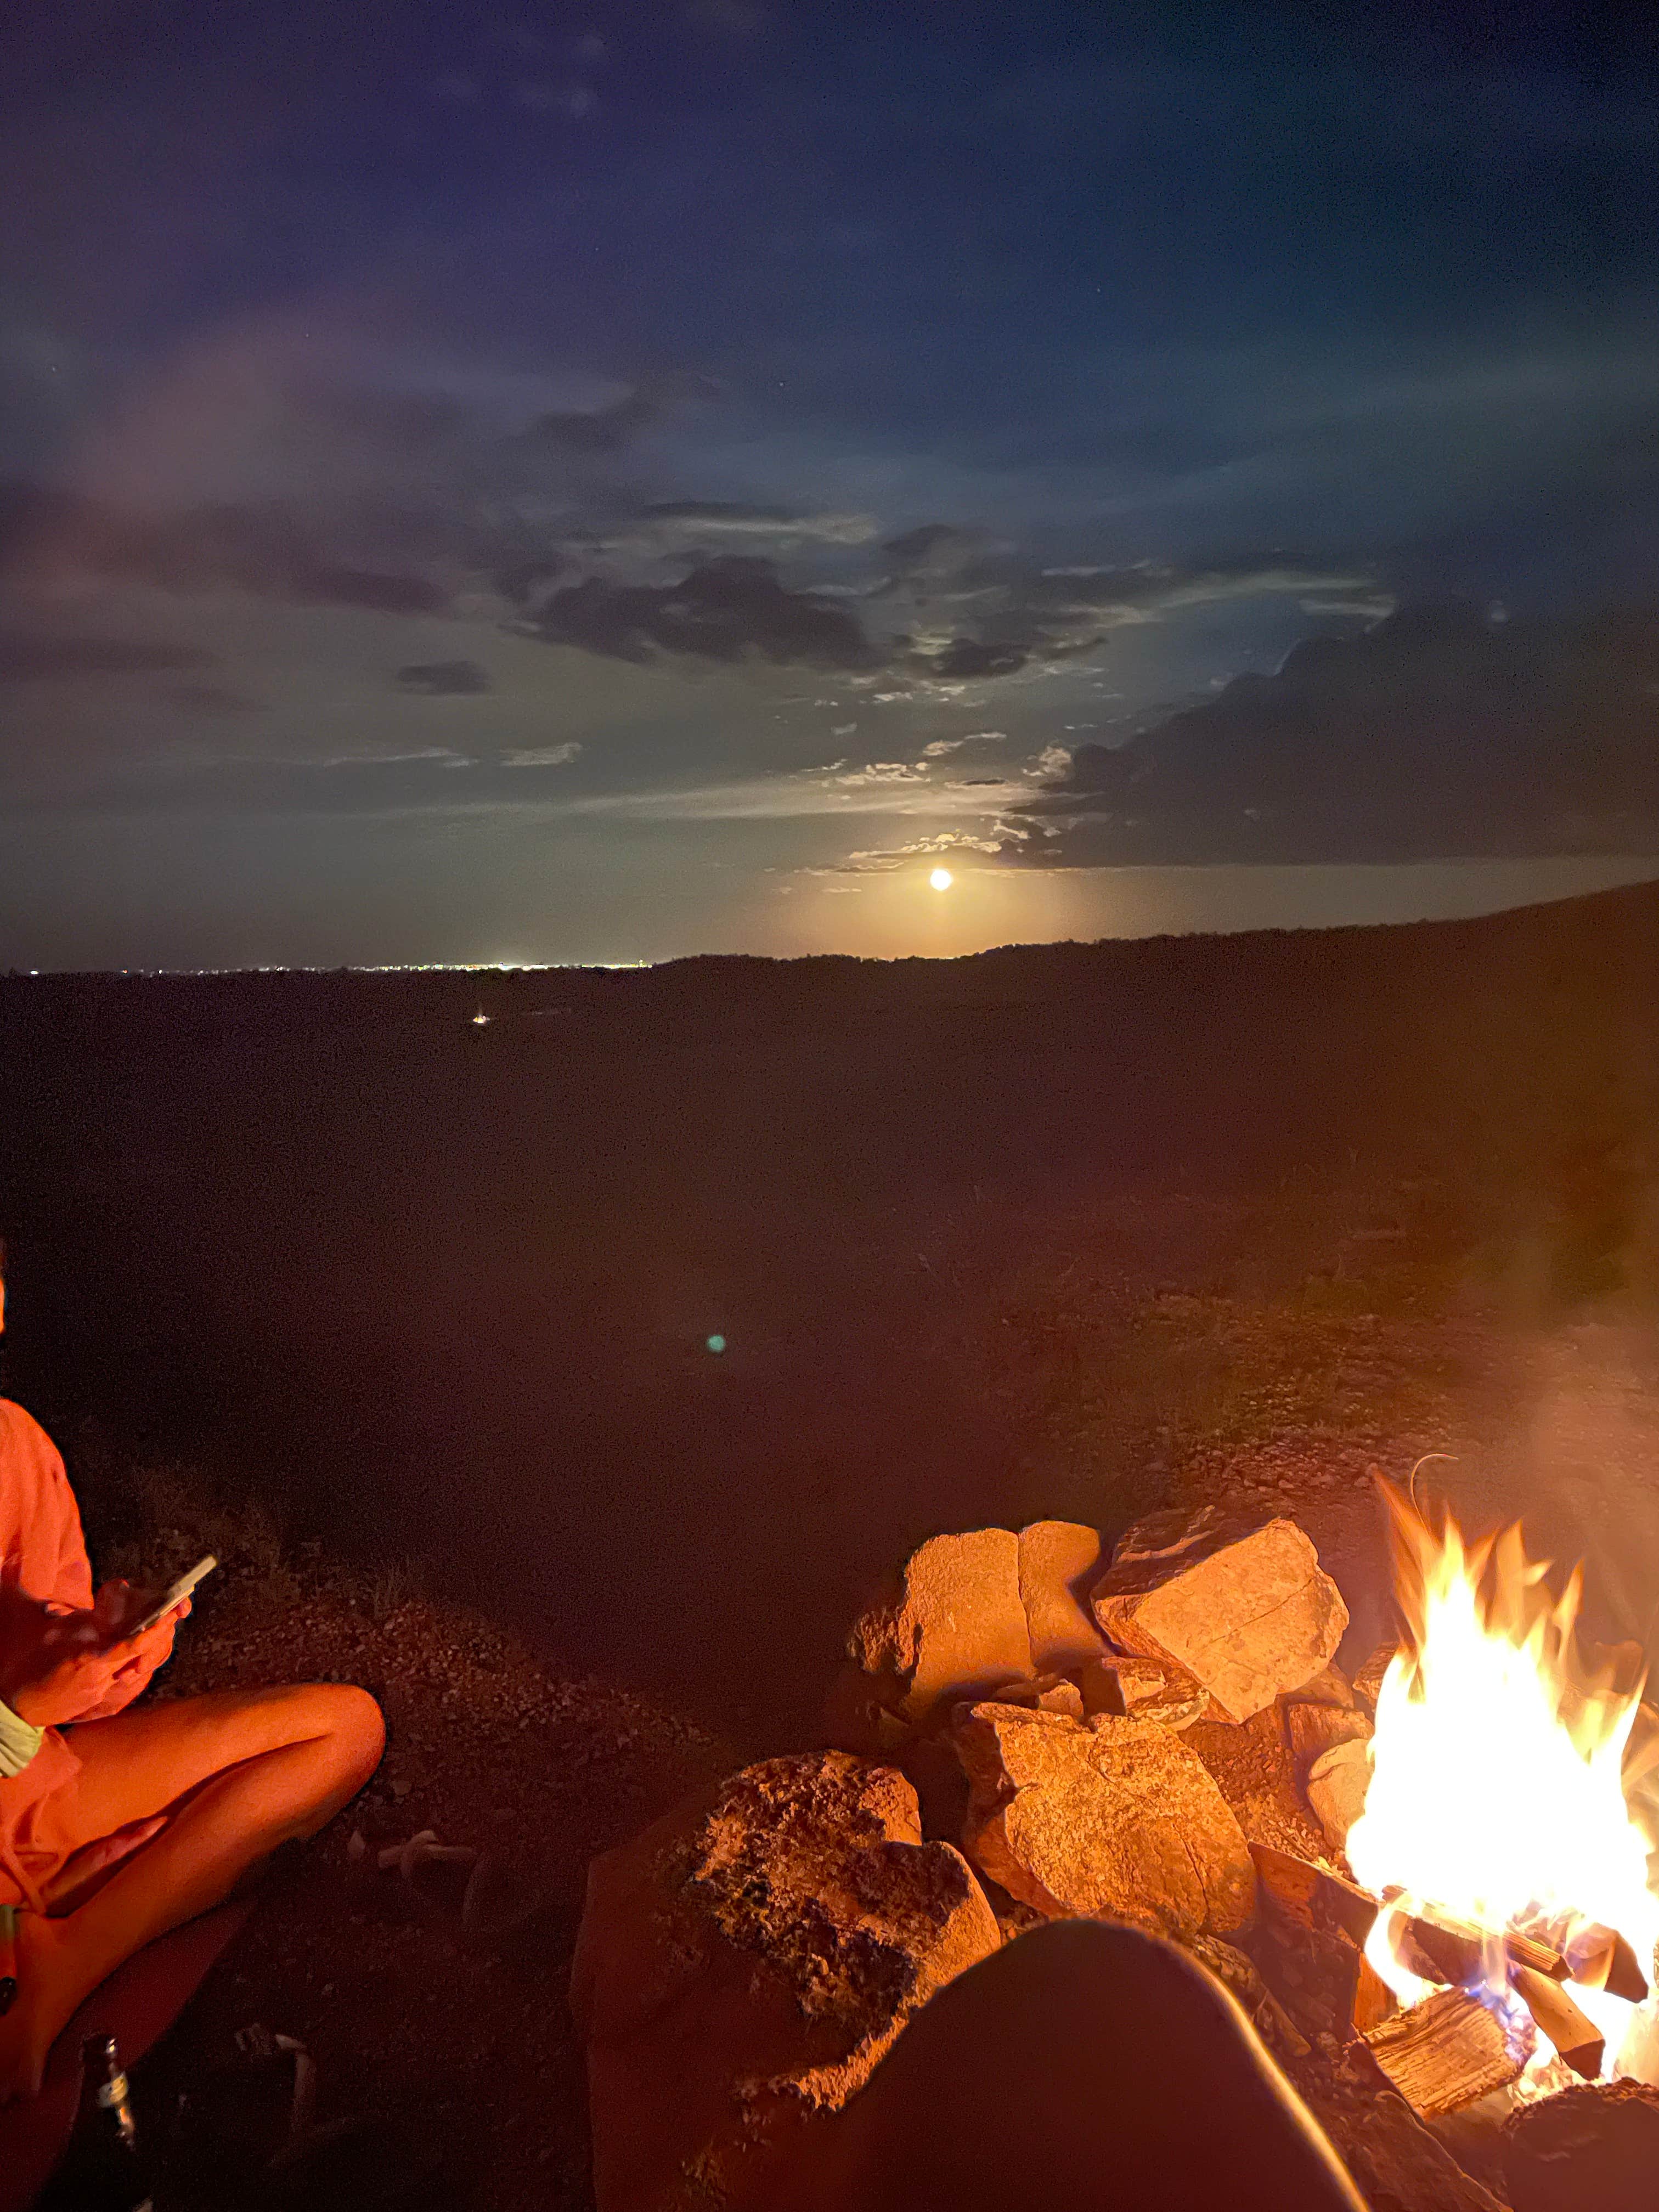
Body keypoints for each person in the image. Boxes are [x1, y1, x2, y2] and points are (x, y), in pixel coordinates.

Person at [0, 1245, 385, 2101]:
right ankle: (55, 1913)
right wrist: (16, 1719)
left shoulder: (15, 1446)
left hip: (32, 1789)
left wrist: (113, 1658)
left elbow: (52, 1673)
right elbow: (20, 1710)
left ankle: (67, 1955)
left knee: (341, 1729)